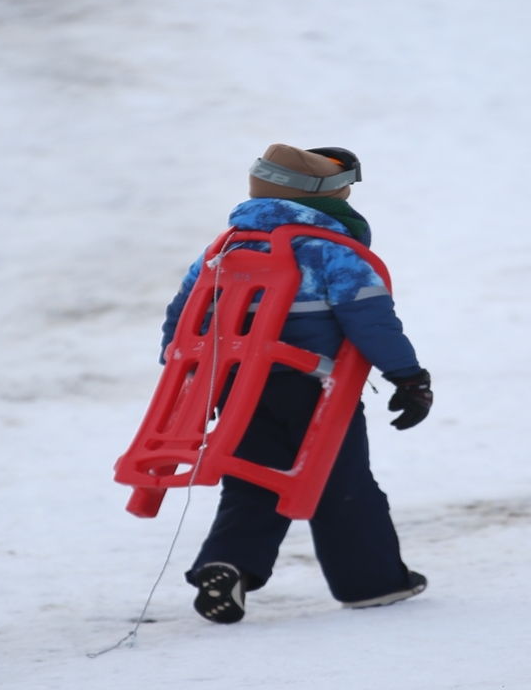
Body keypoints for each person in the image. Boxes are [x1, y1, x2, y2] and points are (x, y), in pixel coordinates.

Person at [159, 144, 433, 623]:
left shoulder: (223, 249)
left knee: (250, 484)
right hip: (313, 390)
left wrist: (184, 379)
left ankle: (227, 566)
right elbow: (370, 319)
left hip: (238, 389)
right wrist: (408, 376)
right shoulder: (332, 252)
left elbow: (183, 318)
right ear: (326, 196)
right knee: (340, 484)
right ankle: (373, 583)